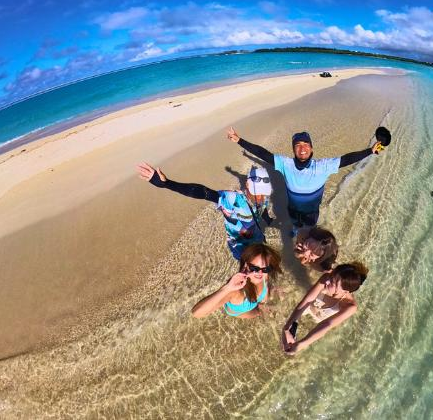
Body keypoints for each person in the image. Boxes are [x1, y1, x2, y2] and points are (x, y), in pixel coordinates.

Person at [226, 127, 388, 231]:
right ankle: (295, 230)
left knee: (310, 227)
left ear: (311, 148)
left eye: (306, 144)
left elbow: (347, 159)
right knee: (295, 225)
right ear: (293, 149)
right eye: (297, 145)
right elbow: (263, 154)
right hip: (293, 209)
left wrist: (370, 151)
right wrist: (240, 141)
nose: (302, 148)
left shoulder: (323, 166)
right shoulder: (285, 164)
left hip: (312, 211)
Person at [137, 162, 273, 260]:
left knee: (265, 267)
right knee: (249, 273)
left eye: (263, 193)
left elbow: (263, 208)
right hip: (240, 246)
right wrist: (168, 184)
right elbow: (203, 192)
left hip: (257, 239)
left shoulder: (264, 197)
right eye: (258, 192)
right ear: (248, 184)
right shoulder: (232, 199)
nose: (261, 197)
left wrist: (268, 220)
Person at [281, 262, 368, 354]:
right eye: (331, 276)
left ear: (346, 291)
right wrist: (287, 328)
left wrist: (301, 344)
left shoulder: (349, 306)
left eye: (333, 283)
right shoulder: (326, 278)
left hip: (321, 323)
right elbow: (306, 301)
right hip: (308, 308)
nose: (327, 281)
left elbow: (326, 325)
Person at [192, 243, 283, 319]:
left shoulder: (264, 275)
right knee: (258, 313)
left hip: (256, 300)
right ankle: (260, 309)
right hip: (240, 311)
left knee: (263, 303)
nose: (259, 273)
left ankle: (261, 305)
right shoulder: (236, 290)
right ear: (245, 264)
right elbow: (197, 314)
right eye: (254, 268)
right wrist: (227, 288)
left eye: (265, 269)